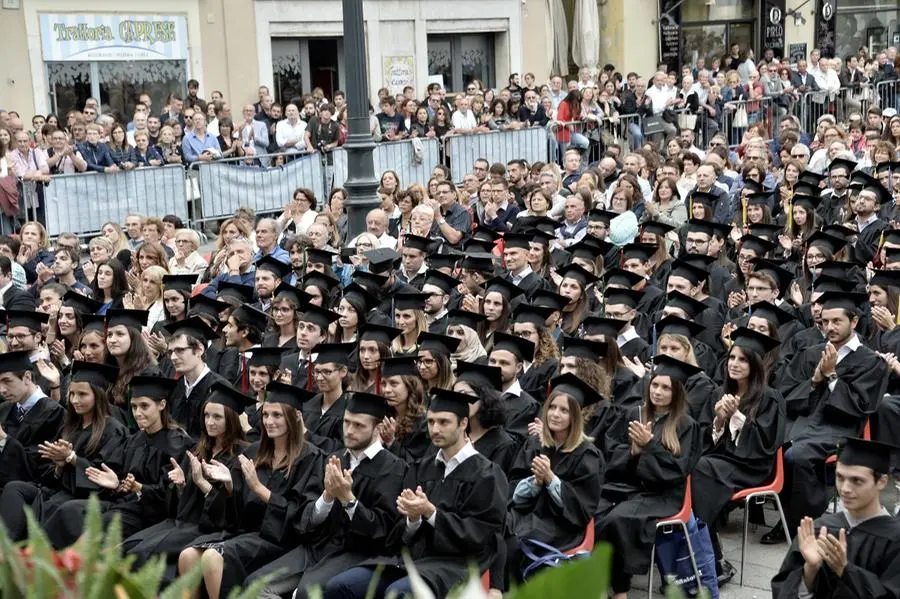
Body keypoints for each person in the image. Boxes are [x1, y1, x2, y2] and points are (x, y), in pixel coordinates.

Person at [319, 387, 508, 599]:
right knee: (341, 586)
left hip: (456, 564)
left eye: (443, 422)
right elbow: (396, 532)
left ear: (464, 423)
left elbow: (483, 535)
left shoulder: (487, 474)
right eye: (430, 422)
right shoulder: (420, 468)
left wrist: (431, 513)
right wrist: (413, 519)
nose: (435, 429)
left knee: (399, 592)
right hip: (409, 559)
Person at [178, 382, 323, 599]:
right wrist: (229, 485)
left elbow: (301, 516)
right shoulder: (256, 451)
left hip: (282, 541)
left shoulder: (310, 457)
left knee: (212, 557)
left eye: (277, 415)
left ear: (295, 417)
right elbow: (236, 513)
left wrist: (259, 488)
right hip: (248, 532)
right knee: (188, 556)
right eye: (265, 414)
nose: (269, 421)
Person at [596, 354, 702, 598]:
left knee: (619, 519)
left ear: (677, 392)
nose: (658, 391)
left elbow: (678, 471)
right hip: (627, 485)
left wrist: (650, 446)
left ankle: (620, 589)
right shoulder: (634, 413)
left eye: (666, 387)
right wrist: (633, 451)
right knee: (595, 511)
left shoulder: (686, 425)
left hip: (663, 494)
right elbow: (610, 452)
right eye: (655, 384)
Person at [0, 362, 126, 541]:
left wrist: (73, 459)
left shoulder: (113, 429)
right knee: (14, 488)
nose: (75, 400)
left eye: (82, 394)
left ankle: (33, 555)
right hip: (60, 489)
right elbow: (50, 475)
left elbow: (106, 478)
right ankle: (5, 547)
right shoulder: (71, 426)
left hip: (88, 495)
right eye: (72, 394)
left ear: (98, 396)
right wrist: (59, 466)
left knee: (60, 507)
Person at [505, 373, 604, 584]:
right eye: (552, 407)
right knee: (495, 532)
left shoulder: (587, 454)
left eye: (564, 410)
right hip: (525, 514)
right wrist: (535, 482)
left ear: (575, 417)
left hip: (560, 525)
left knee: (516, 544)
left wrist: (551, 480)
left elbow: (583, 508)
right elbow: (512, 489)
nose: (555, 414)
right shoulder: (535, 444)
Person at [771, 437, 900, 598]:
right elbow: (782, 591)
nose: (845, 488)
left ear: (881, 482)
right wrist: (810, 570)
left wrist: (845, 571)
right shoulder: (820, 529)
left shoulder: (894, 540)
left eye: (857, 480)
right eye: (840, 477)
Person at [0, 350, 65, 489]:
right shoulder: (4, 409)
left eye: (7, 381)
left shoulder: (53, 412)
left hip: (30, 491)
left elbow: (38, 467)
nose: (2, 390)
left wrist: (4, 439)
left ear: (27, 377)